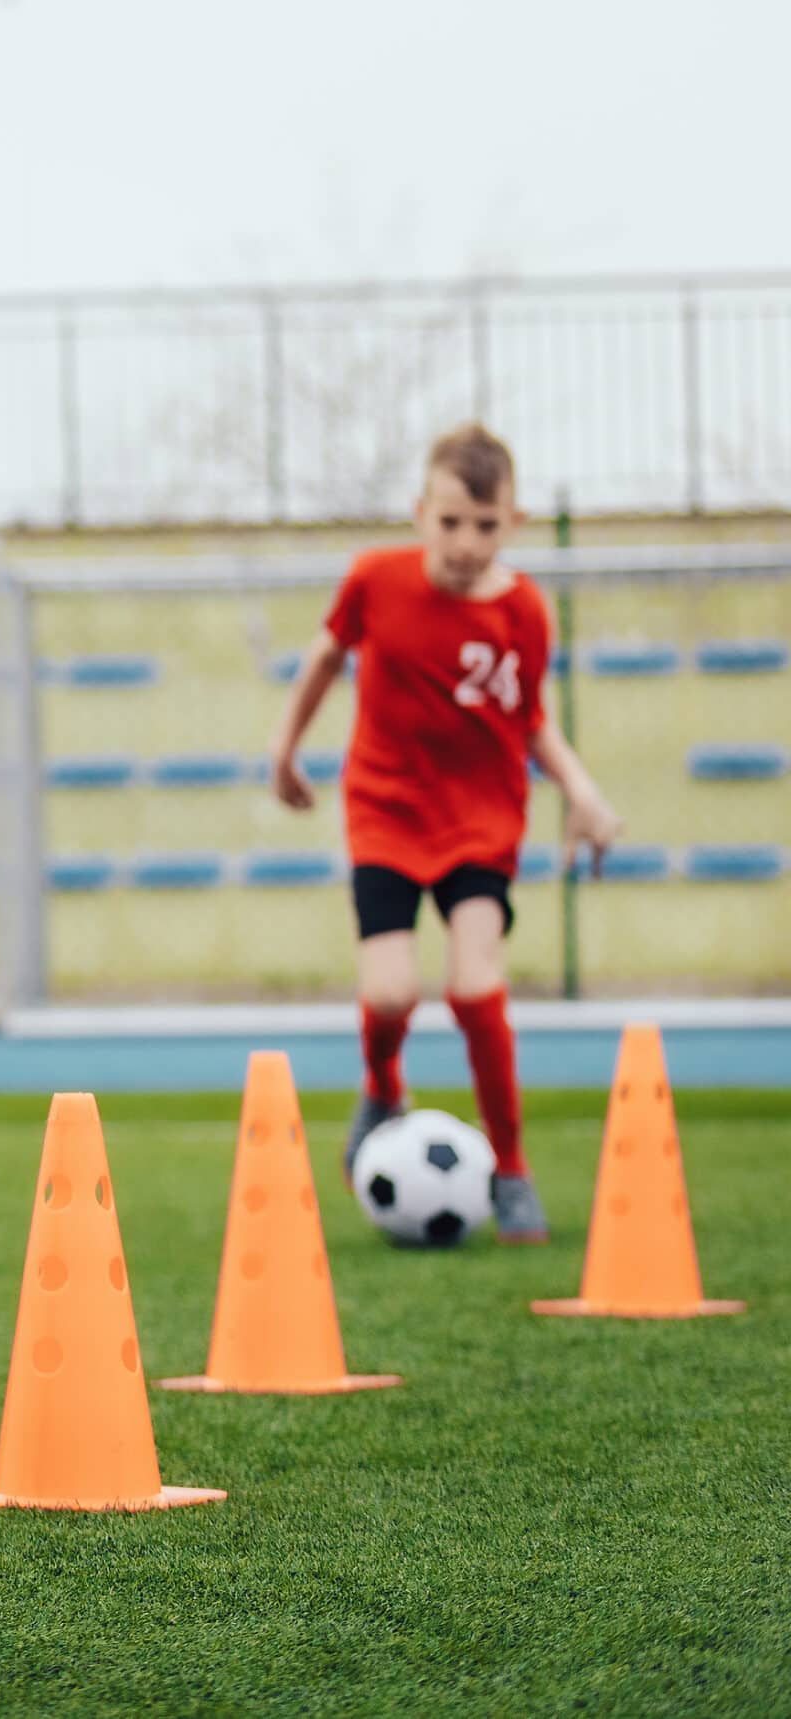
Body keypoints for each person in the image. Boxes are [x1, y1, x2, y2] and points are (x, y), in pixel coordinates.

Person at [269, 424, 622, 1244]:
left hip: (480, 819)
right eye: (451, 521)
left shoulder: (525, 611)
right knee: (391, 990)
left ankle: (511, 1167)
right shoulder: (374, 580)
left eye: (486, 525)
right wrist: (284, 748)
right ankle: (384, 1084)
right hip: (386, 810)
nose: (466, 542)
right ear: (420, 511)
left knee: (472, 985)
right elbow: (326, 658)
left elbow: (531, 720)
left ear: (514, 522)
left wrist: (582, 789)